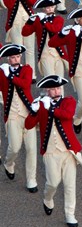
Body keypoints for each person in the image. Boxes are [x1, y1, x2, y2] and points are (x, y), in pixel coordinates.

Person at [26, 75, 82, 227]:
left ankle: (70, 214)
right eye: (52, 89)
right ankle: (47, 198)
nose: (56, 91)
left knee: (70, 185)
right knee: (53, 182)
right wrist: (33, 110)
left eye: (58, 88)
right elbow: (29, 125)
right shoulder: (41, 105)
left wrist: (49, 107)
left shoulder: (68, 101)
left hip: (68, 151)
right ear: (47, 91)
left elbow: (66, 115)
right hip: (50, 151)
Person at [49, 7, 82, 145]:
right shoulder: (71, 33)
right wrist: (61, 33)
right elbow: (52, 43)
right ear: (77, 20)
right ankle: (77, 118)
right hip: (78, 72)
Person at [0, 44, 37, 193]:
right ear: (8, 58)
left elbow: (24, 83)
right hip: (12, 115)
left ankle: (31, 180)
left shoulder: (27, 69)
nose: (15, 59)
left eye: (17, 57)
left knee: (31, 148)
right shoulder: (2, 72)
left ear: (20, 57)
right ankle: (9, 163)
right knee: (14, 147)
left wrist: (9, 75)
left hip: (28, 113)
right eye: (12, 57)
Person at [1, 0, 37, 72]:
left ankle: (32, 73)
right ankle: (18, 72)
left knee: (30, 48)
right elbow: (9, 5)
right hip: (15, 22)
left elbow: (33, 3)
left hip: (27, 21)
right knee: (17, 49)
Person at [22, 0, 65, 78]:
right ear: (43, 9)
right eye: (48, 7)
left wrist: (44, 21)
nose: (50, 9)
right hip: (45, 55)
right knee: (50, 80)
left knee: (60, 81)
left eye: (52, 7)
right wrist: (29, 21)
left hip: (58, 54)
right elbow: (25, 33)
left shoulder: (59, 19)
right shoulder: (38, 20)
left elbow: (54, 29)